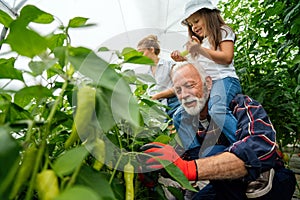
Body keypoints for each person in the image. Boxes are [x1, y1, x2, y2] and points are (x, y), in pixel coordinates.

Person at [141, 62, 296, 199]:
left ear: (208, 83)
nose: (184, 95)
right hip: (225, 184)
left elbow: (259, 148)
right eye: (178, 90)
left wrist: (189, 168)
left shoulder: (241, 105)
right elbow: (182, 157)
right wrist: (154, 167)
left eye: (190, 86)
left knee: (212, 150)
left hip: (268, 183)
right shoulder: (186, 120)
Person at [171, 0, 241, 145]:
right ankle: (194, 152)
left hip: (224, 80)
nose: (194, 26)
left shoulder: (223, 31)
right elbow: (197, 68)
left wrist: (199, 50)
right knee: (179, 116)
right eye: (191, 24)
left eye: (196, 21)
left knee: (217, 110)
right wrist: (182, 59)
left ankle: (246, 146)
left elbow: (227, 58)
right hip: (206, 85)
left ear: (209, 15)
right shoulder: (200, 44)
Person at [137, 34, 180, 120]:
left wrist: (157, 96)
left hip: (173, 105)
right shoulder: (147, 73)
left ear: (152, 49)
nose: (140, 56)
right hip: (159, 111)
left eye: (142, 53)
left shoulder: (169, 65)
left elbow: (178, 87)